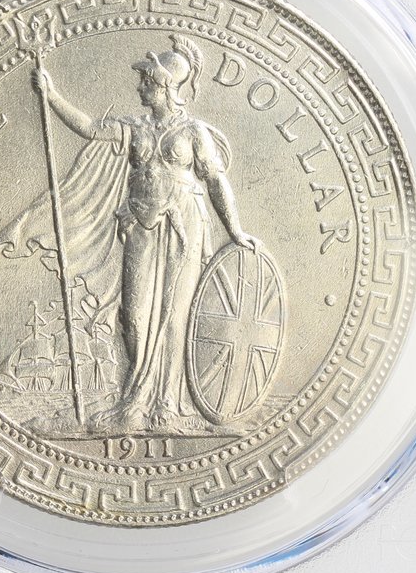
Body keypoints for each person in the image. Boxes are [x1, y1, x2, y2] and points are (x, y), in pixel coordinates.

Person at [25, 34, 257, 432]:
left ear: (164, 85)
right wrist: (51, 95)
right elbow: (91, 128)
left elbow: (216, 181)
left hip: (184, 224)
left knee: (173, 315)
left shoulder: (193, 132)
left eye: (146, 81)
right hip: (139, 224)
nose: (139, 87)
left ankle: (166, 406)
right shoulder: (134, 127)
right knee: (132, 316)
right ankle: (135, 399)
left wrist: (235, 230)